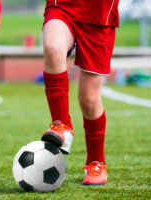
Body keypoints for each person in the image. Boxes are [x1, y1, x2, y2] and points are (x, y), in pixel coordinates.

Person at [40, 0, 119, 185]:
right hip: (63, 6)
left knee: (89, 100)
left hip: (99, 16)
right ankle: (61, 126)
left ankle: (96, 162)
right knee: (53, 48)